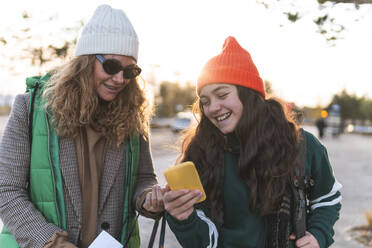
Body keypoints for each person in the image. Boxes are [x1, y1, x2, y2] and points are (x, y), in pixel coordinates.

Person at [0, 4, 164, 248]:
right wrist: (52, 242)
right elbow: (7, 190)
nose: (120, 79)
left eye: (130, 70)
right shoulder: (29, 108)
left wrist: (148, 199)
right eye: (111, 66)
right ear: (86, 62)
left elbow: (144, 178)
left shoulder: (133, 115)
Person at [163, 36, 342, 248]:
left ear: (248, 94)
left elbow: (328, 198)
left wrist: (318, 235)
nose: (212, 107)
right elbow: (204, 239)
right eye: (205, 101)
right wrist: (183, 218)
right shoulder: (200, 154)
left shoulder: (301, 144)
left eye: (222, 95)